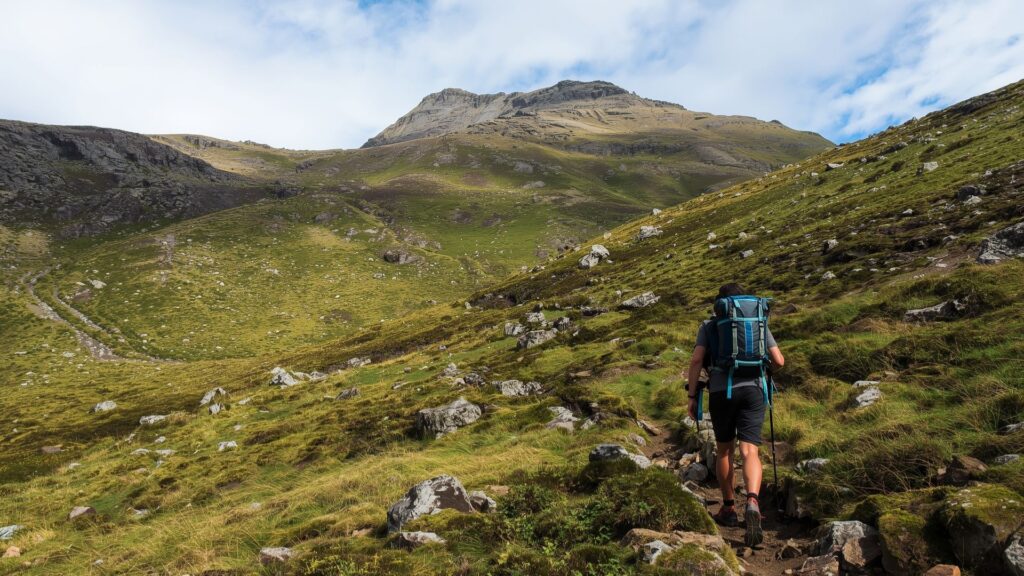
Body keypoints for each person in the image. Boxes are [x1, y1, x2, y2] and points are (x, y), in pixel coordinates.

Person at [685, 283, 784, 547]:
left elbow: (696, 360)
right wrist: (763, 371)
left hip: (721, 392)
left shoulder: (709, 325)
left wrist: (692, 395)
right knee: (750, 451)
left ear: (720, 304)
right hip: (754, 391)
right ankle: (752, 500)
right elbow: (779, 361)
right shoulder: (757, 323)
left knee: (725, 450)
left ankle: (728, 508)